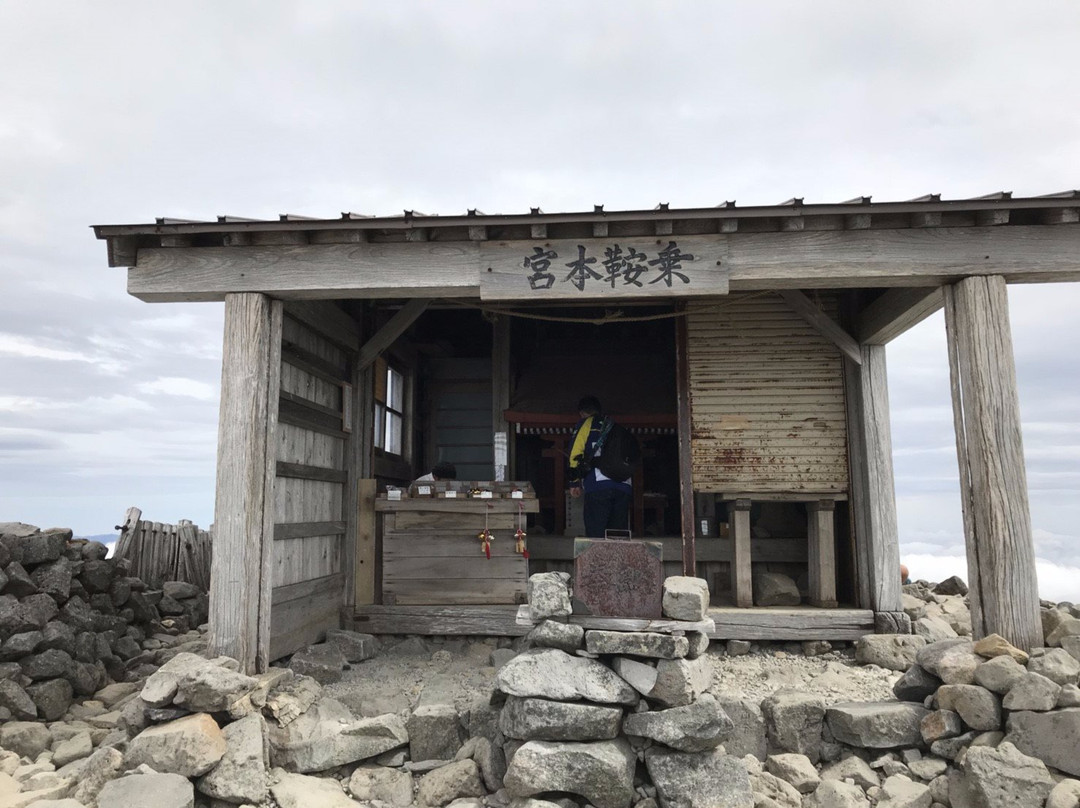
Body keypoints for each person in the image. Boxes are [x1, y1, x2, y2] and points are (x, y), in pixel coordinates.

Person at [568, 396, 633, 538]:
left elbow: (575, 453)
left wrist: (574, 482)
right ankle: (618, 560)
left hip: (598, 483)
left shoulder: (587, 424)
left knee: (596, 534)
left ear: (582, 413)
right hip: (624, 484)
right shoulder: (617, 426)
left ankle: (597, 561)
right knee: (617, 535)